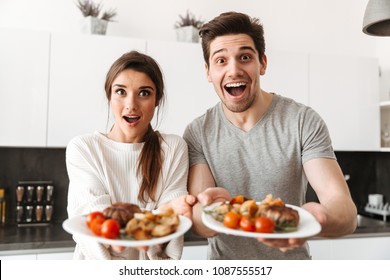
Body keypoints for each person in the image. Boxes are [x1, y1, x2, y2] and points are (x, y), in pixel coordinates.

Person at [183, 12, 357, 260]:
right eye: (221, 60)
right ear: (208, 71)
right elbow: (199, 223)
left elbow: (345, 212)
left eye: (245, 57)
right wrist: (214, 210)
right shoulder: (198, 132)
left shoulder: (302, 121)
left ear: (262, 63)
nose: (233, 70)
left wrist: (321, 217)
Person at [66, 51, 196, 260]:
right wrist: (153, 222)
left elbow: (169, 236)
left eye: (144, 93)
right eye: (121, 92)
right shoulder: (84, 148)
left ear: (157, 100)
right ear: (109, 95)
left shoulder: (173, 148)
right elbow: (95, 230)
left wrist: (169, 214)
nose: (131, 104)